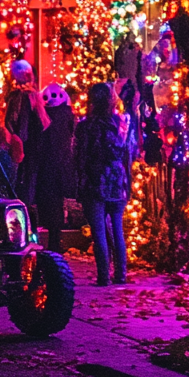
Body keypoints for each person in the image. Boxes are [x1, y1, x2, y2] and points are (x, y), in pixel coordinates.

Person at [74, 82, 132, 286]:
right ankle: (121, 274)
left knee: (99, 230)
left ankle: (104, 275)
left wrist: (80, 179)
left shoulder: (85, 126)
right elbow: (127, 153)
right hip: (117, 178)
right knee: (117, 228)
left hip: (95, 179)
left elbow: (81, 155)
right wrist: (128, 182)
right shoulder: (121, 123)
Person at [34, 84, 75, 253]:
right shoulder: (68, 116)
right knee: (57, 204)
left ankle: (50, 242)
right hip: (61, 164)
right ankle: (55, 241)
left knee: (47, 203)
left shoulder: (41, 117)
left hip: (45, 166)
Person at [3, 60, 49, 206]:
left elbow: (11, 121)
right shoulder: (31, 97)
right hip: (32, 145)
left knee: (24, 180)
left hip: (27, 145)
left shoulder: (20, 97)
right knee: (28, 179)